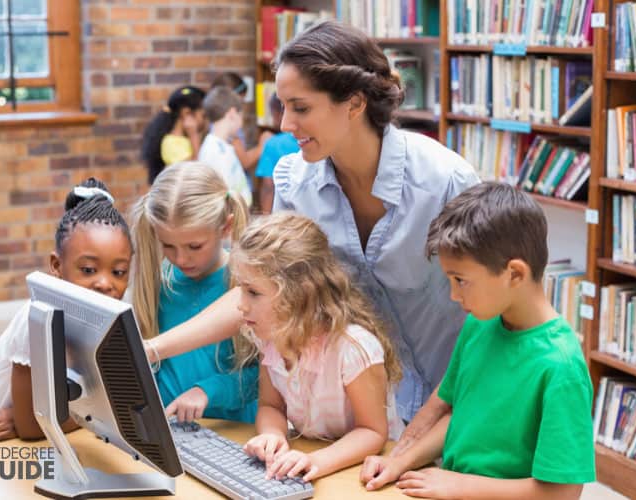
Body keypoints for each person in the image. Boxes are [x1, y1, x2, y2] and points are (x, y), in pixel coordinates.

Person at [146, 20, 479, 452]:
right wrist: (150, 349)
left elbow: (485, 323)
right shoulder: (295, 184)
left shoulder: (447, 183)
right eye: (282, 106)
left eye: (300, 108)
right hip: (353, 427)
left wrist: (426, 430)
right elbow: (260, 291)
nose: (285, 124)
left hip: (449, 417)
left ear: (354, 103)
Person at [360, 183, 596, 498]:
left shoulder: (561, 367)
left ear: (514, 274)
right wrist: (400, 461)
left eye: (461, 281)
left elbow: (562, 493)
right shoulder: (480, 325)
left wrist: (460, 485)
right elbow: (459, 415)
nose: (455, 296)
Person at [0, 179, 133, 440]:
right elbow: (31, 428)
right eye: (89, 270)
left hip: (33, 415)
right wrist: (99, 418)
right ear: (56, 265)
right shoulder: (39, 317)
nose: (105, 283)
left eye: (119, 272)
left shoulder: (114, 316)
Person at [232, 213, 404, 481]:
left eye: (253, 292)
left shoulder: (353, 348)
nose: (241, 305)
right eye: (241, 290)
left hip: (372, 473)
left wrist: (316, 461)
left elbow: (373, 432)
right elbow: (270, 406)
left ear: (299, 292)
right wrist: (272, 435)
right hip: (315, 461)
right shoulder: (272, 338)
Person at [130, 162, 257, 423]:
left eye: (195, 246)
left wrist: (209, 390)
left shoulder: (249, 285)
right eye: (168, 246)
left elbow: (268, 377)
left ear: (226, 227)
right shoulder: (157, 281)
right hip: (171, 433)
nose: (181, 259)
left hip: (233, 432)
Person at [198, 86, 253, 206]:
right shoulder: (215, 151)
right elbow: (222, 196)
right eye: (241, 115)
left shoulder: (222, 146)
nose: (241, 122)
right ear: (232, 113)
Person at [141, 85, 206, 184]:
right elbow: (194, 171)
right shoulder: (170, 143)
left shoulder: (186, 139)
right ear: (186, 113)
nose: (205, 121)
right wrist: (194, 135)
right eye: (203, 115)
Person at [211, 72, 273, 173]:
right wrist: (263, 146)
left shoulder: (215, 123)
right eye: (240, 103)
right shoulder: (229, 129)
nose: (241, 109)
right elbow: (245, 162)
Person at [255, 92, 299, 214]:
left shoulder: (272, 144)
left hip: (283, 217)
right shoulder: (311, 139)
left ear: (276, 113)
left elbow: (268, 186)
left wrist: (266, 218)